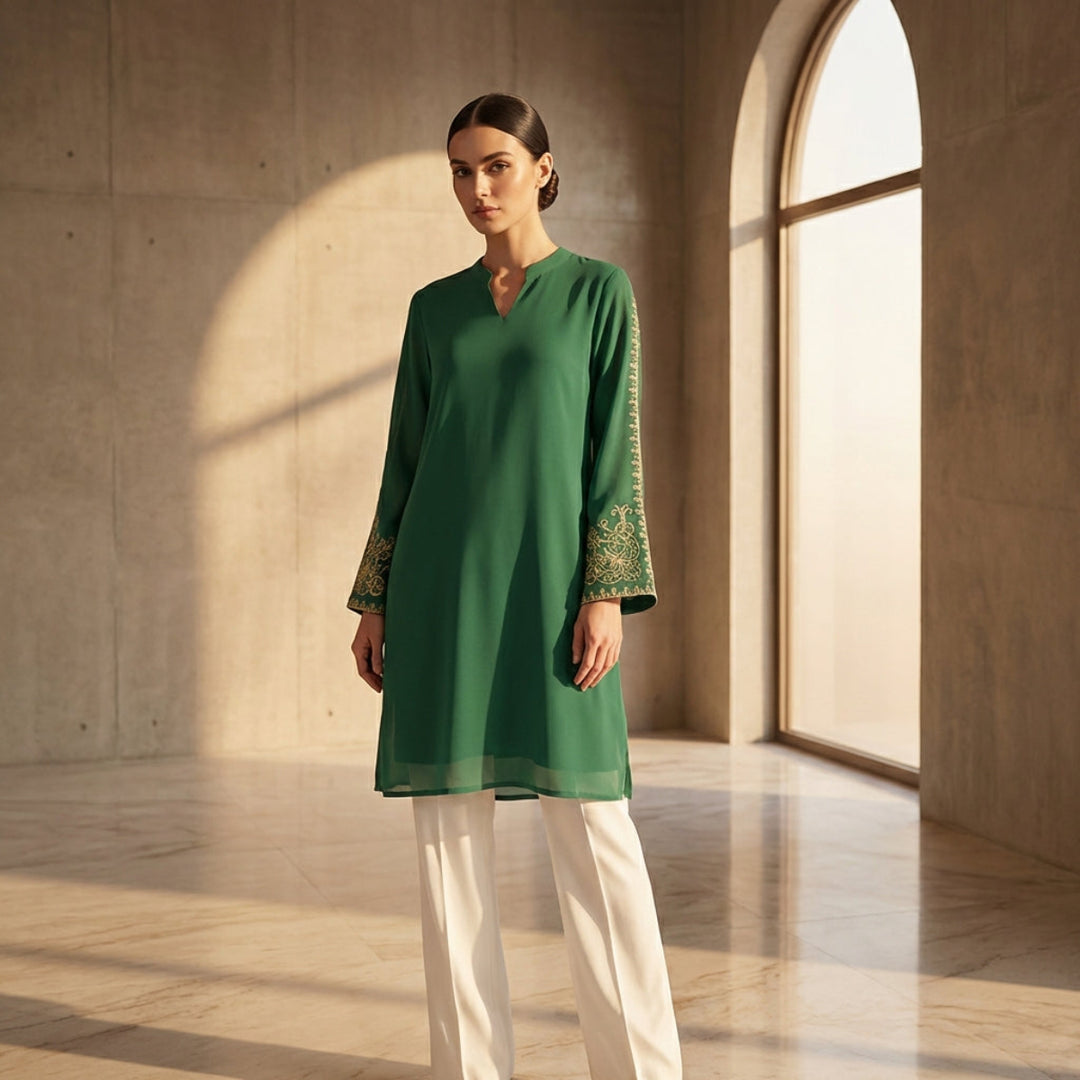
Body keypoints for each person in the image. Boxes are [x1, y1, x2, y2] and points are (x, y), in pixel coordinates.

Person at [348, 91, 682, 1080]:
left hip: (553, 590)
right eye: (461, 169)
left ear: (542, 169)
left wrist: (605, 590)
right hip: (441, 593)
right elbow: (405, 461)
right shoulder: (433, 309)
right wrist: (375, 599)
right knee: (447, 848)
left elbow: (612, 455)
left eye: (496, 165)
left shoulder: (598, 293)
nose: (477, 187)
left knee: (595, 832)